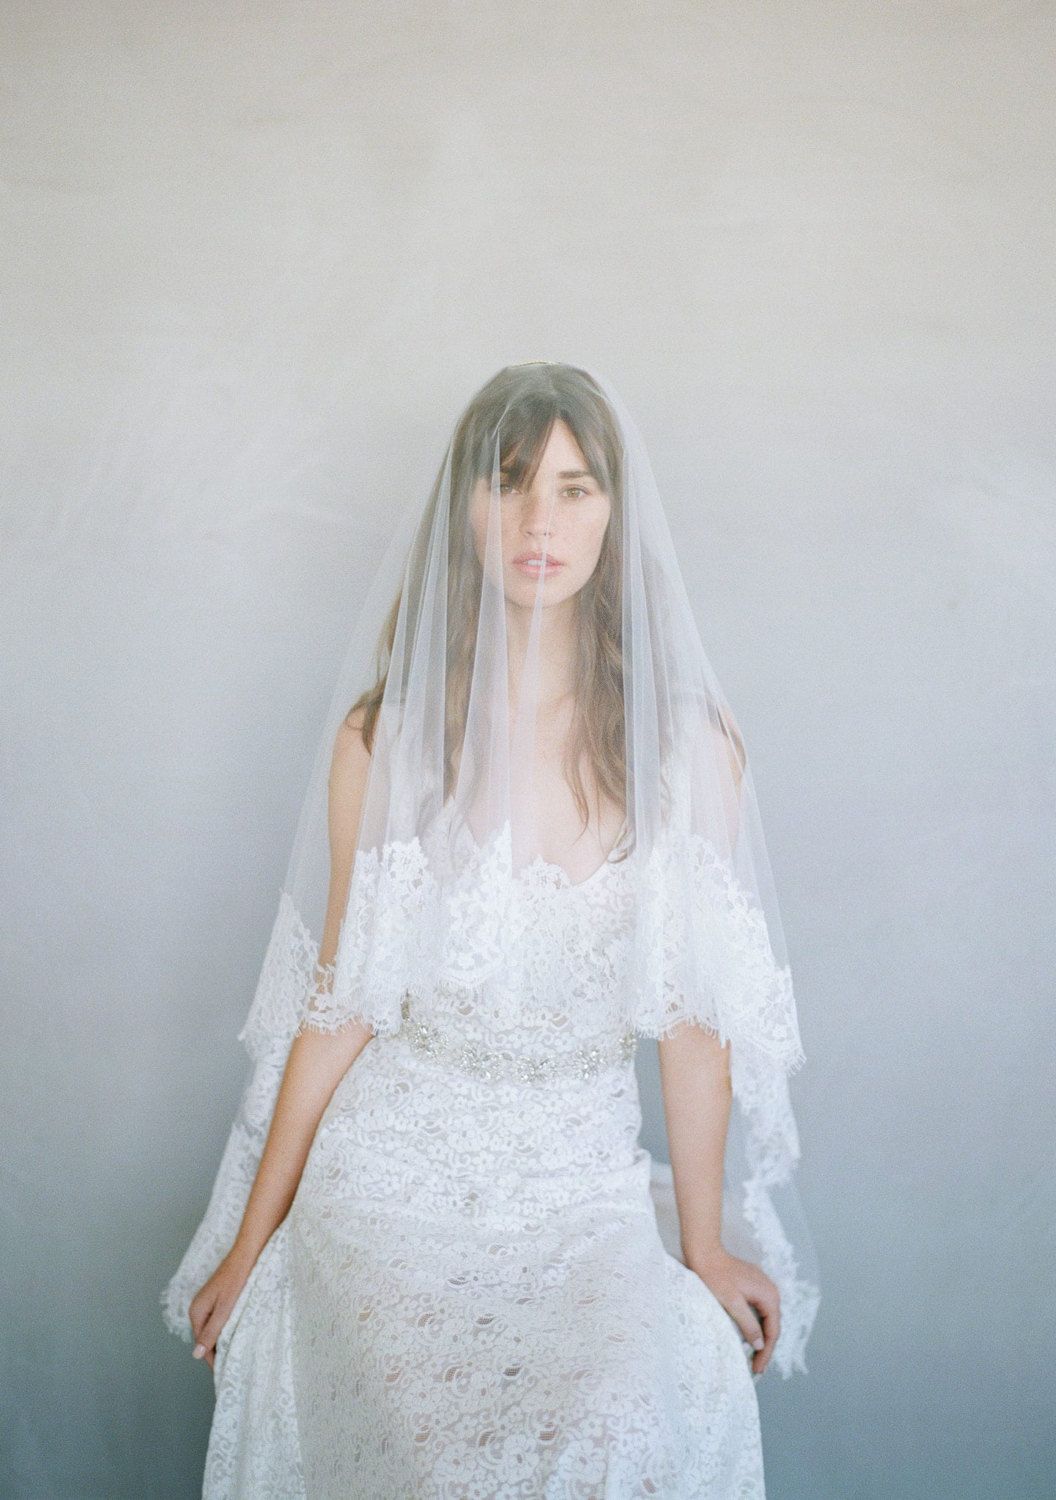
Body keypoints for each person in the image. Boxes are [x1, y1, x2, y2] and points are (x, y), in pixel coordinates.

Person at [161, 361, 820, 1497]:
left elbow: (692, 1023)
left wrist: (705, 1246)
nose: (537, 522)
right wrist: (249, 1241)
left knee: (608, 1437)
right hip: (391, 1181)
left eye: (574, 487)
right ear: (463, 507)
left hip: (577, 1191)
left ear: (615, 513)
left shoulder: (686, 751)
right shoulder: (387, 739)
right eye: (508, 483)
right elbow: (342, 1004)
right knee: (437, 1464)